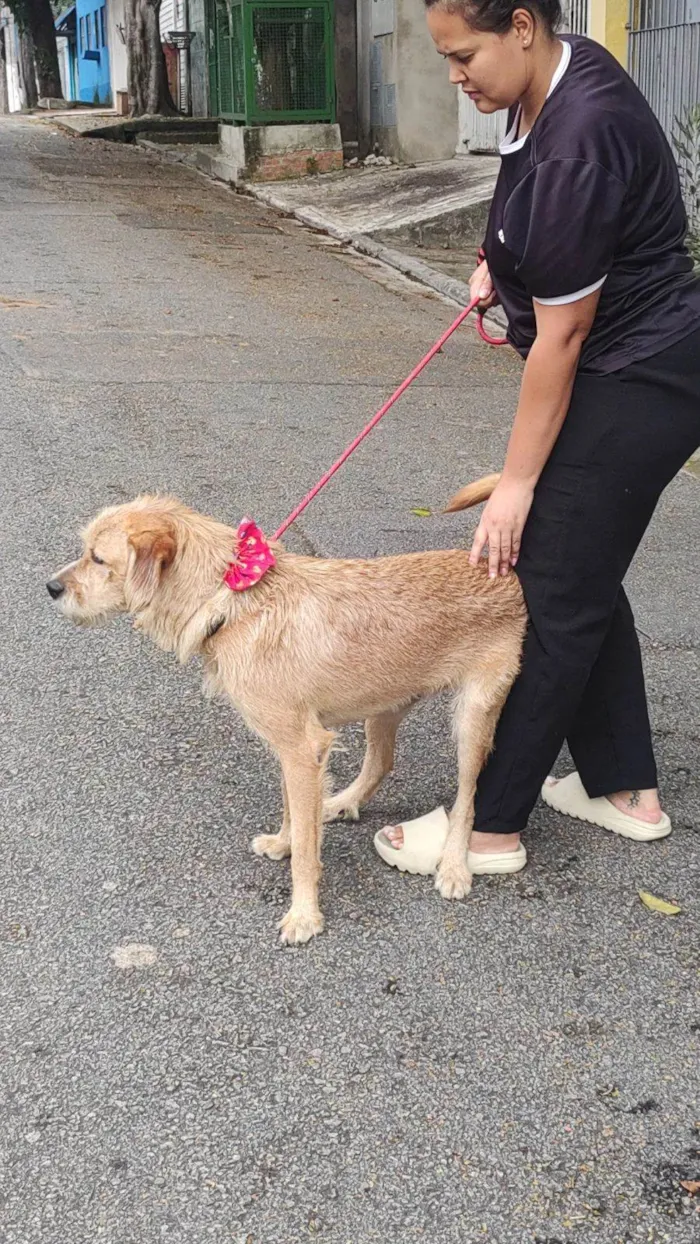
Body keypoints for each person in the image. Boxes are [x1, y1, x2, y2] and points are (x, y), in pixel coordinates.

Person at [374, 3, 700, 879]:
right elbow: (535, 219)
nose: (455, 75)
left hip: (640, 373)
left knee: (547, 583)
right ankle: (624, 788)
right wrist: (501, 265)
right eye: (445, 57)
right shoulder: (551, 78)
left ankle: (489, 825)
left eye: (464, 53)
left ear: (521, 26)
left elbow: (561, 338)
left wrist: (516, 483)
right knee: (581, 565)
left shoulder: (578, 138)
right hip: (623, 363)